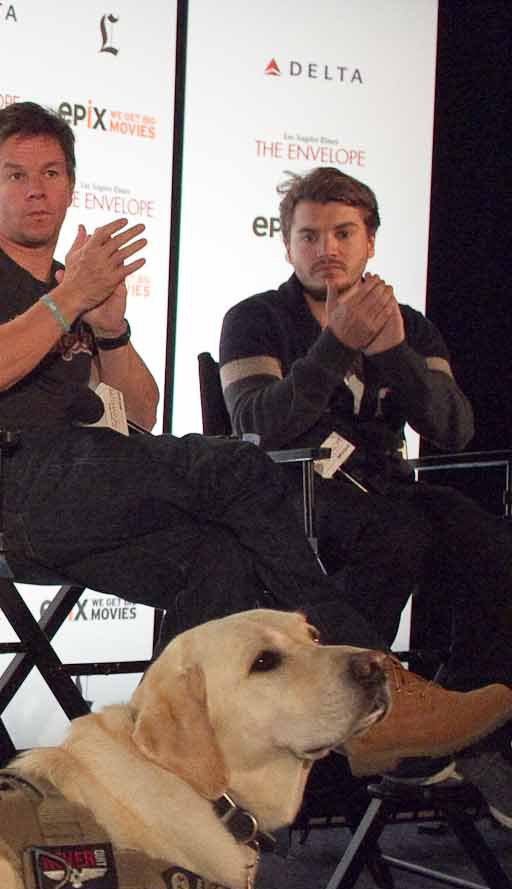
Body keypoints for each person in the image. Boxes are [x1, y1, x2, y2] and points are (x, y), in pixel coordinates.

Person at [0, 102, 512, 783]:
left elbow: (141, 416)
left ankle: (154, 773)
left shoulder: (73, 286)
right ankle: (374, 685)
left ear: (72, 186)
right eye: (16, 175)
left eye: (52, 172)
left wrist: (111, 329)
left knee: (224, 560)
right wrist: (70, 299)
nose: (37, 188)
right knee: (236, 466)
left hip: (68, 487)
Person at [219, 166, 512, 817]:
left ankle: (461, 733)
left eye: (344, 232)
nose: (328, 247)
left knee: (493, 543)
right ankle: (352, 714)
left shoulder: (406, 322)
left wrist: (395, 357)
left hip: (389, 491)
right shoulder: (256, 319)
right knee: (395, 532)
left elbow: (454, 430)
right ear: (288, 245)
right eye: (310, 234)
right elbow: (256, 426)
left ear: (370, 241)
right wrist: (335, 345)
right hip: (294, 497)